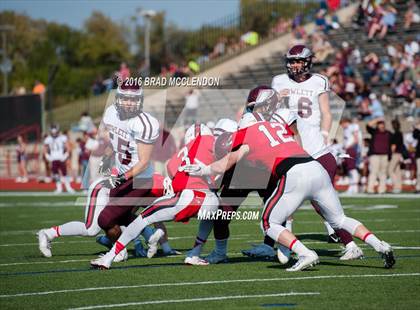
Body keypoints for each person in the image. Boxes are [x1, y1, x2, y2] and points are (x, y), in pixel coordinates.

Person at [183, 112, 395, 271]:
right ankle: (380, 245)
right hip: (315, 167)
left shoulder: (247, 134)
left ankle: (304, 253)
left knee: (268, 222)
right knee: (339, 219)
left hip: (294, 173)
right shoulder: (277, 126)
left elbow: (227, 162)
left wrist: (204, 169)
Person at [268, 45, 362, 259]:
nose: (294, 65)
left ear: (308, 61)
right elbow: (268, 111)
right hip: (292, 151)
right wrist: (274, 99)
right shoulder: (278, 81)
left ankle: (349, 244)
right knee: (285, 200)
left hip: (316, 149)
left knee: (320, 202)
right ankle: (285, 247)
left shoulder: (319, 81)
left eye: (298, 61)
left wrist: (326, 134)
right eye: (291, 61)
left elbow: (326, 112)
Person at [90, 124, 219, 269]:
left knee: (141, 220)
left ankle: (108, 258)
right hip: (211, 200)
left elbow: (171, 168)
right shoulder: (212, 141)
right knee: (209, 218)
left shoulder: (186, 150)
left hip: (190, 197)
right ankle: (195, 254)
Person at [43, 124, 75, 194]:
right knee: (56, 174)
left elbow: (68, 147)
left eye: (55, 132)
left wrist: (65, 155)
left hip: (61, 158)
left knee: (65, 173)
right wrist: (47, 156)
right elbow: (44, 148)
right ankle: (59, 188)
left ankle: (68, 187)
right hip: (53, 159)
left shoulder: (63, 137)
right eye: (53, 132)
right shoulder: (48, 139)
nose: (54, 134)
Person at [366, 119, 391, 194]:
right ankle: (370, 189)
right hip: (375, 155)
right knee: (374, 172)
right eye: (379, 124)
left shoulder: (388, 133)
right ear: (377, 125)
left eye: (382, 124)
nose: (381, 125)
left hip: (385, 155)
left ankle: (382, 189)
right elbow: (368, 125)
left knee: (383, 173)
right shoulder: (374, 132)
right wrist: (377, 119)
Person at [389, 119, 404, 193]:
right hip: (399, 154)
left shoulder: (396, 134)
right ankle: (399, 187)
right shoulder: (400, 133)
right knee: (397, 171)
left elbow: (393, 146)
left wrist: (391, 153)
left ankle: (396, 185)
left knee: (390, 170)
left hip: (395, 154)